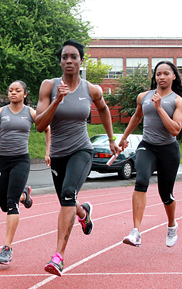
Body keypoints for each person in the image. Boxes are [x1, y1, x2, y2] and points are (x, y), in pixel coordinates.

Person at [35, 39, 119, 276]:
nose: (69, 60)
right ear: (60, 62)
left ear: (81, 60)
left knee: (68, 194)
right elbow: (40, 125)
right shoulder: (48, 87)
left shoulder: (91, 89)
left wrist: (111, 139)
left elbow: (103, 109)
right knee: (67, 202)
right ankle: (84, 213)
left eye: (73, 56)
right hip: (59, 154)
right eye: (64, 57)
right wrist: (57, 101)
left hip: (82, 150)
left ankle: (58, 257)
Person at [0, 80, 50, 265]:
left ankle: (7, 248)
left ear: (25, 94)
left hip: (21, 160)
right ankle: (24, 194)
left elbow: (47, 128)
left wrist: (48, 151)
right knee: (3, 204)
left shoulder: (31, 113)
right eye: (10, 90)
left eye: (17, 90)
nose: (13, 93)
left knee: (11, 204)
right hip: (3, 160)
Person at [121, 60, 182, 248]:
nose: (161, 77)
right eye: (158, 74)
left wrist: (159, 108)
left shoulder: (178, 101)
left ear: (173, 76)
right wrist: (124, 137)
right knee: (141, 181)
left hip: (168, 151)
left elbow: (175, 130)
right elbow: (137, 116)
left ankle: (171, 225)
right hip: (147, 146)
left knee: (165, 194)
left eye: (166, 73)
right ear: (155, 77)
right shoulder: (144, 96)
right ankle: (135, 231)